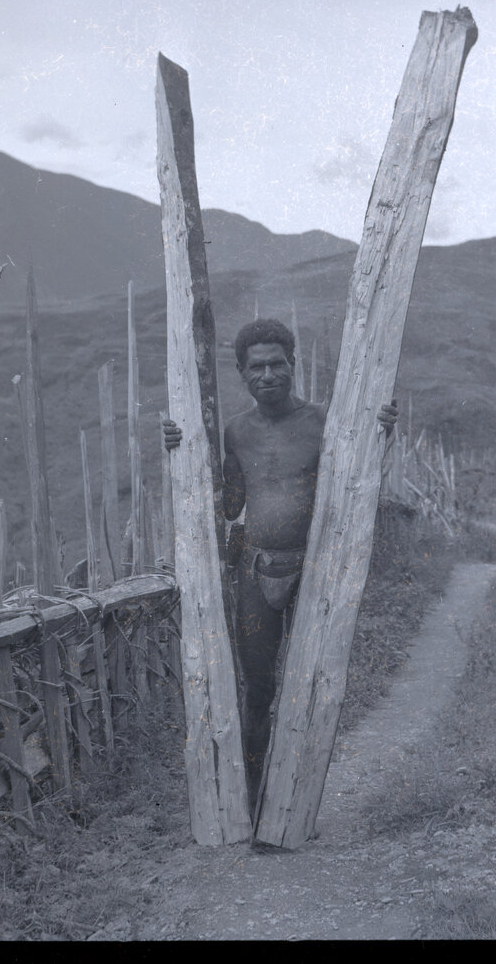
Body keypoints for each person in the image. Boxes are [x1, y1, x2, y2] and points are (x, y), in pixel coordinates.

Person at [163, 318, 396, 808]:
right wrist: (180, 450)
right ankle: (254, 803)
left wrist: (383, 433)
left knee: (313, 683)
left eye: (276, 364)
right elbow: (230, 504)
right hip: (256, 569)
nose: (267, 375)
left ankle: (296, 802)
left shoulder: (324, 422)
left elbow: (358, 477)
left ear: (292, 364)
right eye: (256, 367)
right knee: (258, 688)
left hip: (314, 569)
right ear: (241, 373)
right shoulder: (237, 432)